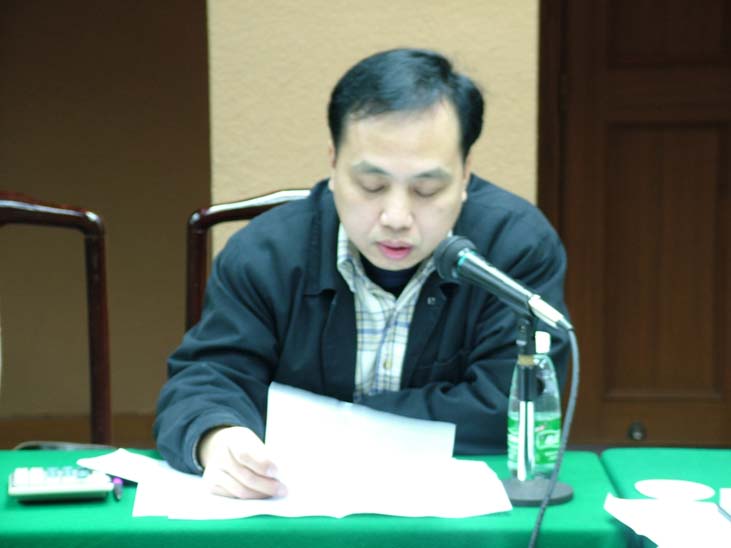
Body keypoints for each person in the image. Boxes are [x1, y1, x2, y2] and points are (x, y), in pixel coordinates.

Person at [154, 48, 570, 500]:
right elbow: (207, 378)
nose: (396, 217)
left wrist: (328, 422)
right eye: (372, 186)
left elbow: (505, 406)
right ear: (333, 164)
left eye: (427, 189)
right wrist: (216, 436)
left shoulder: (513, 248)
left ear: (466, 174)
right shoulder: (264, 253)